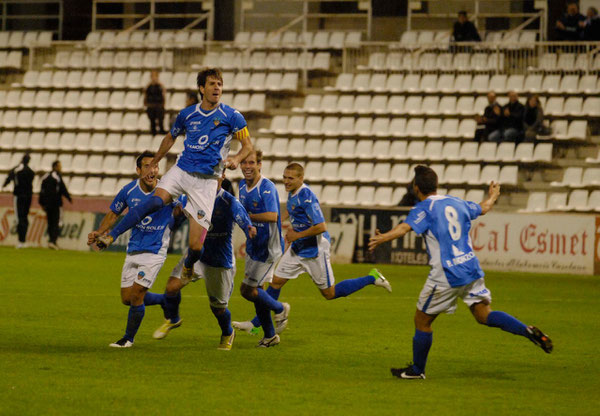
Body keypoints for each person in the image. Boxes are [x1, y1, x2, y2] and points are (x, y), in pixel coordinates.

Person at [368, 165, 553, 379]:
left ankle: (417, 371)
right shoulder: (457, 202)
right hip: (470, 267)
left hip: (447, 273)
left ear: (416, 188)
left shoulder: (423, 208)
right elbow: (483, 208)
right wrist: (493, 195)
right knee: (485, 314)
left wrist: (383, 238)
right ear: (436, 185)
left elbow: (404, 228)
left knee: (422, 320)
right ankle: (526, 331)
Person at [94, 67, 254, 288]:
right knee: (154, 201)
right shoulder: (187, 114)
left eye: (220, 84)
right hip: (182, 170)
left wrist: (236, 158)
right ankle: (111, 236)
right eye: (212, 83)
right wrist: (156, 160)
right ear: (202, 88)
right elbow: (170, 137)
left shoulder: (232, 116)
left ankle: (189, 264)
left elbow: (248, 146)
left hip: (206, 181)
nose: (217, 87)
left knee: (196, 246)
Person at [234, 163, 392, 338]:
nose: (286, 181)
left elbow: (321, 226)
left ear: (301, 178)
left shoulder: (307, 196)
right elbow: (291, 210)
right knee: (276, 282)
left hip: (314, 252)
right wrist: (282, 218)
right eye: (285, 177)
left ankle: (372, 278)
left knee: (329, 293)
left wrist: (297, 235)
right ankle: (257, 324)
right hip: (297, 249)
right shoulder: (293, 193)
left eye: (290, 178)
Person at [87, 151, 186, 348]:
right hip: (134, 248)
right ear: (138, 170)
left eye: (156, 166)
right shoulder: (129, 191)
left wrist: (179, 215)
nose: (153, 171)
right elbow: (114, 213)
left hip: (155, 249)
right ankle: (165, 301)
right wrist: (99, 231)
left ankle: (128, 339)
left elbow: (180, 214)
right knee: (127, 298)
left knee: (138, 293)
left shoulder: (168, 191)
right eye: (148, 166)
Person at [156, 173, 257, 350]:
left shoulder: (228, 201)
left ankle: (227, 332)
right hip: (197, 256)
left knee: (218, 309)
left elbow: (242, 217)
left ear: (221, 177)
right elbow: (176, 214)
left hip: (219, 260)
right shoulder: (191, 196)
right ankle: (173, 319)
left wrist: (249, 227)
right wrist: (174, 217)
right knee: (171, 288)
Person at [233, 149, 288, 347]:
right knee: (257, 294)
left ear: (259, 165)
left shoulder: (266, 187)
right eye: (244, 163)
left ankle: (280, 308)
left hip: (268, 249)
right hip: (253, 247)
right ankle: (270, 336)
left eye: (252, 163)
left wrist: (248, 218)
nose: (247, 167)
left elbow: (273, 216)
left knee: (247, 290)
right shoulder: (241, 186)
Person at [2, 154, 34, 248]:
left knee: (19, 218)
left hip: (19, 196)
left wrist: (4, 185)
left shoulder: (17, 169)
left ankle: (21, 241)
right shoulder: (31, 171)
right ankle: (23, 240)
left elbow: (9, 177)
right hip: (28, 196)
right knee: (25, 217)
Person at [39, 160, 72, 250]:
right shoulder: (57, 177)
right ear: (55, 167)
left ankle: (51, 241)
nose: (61, 168)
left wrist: (41, 202)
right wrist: (69, 198)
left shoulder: (45, 177)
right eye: (59, 166)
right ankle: (53, 241)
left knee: (50, 223)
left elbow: (41, 191)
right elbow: (62, 189)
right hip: (56, 204)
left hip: (47, 205)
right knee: (57, 222)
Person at [144, 70, 167, 136]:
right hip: (151, 105)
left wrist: (163, 103)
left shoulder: (160, 86)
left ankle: (161, 130)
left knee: (160, 119)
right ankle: (153, 131)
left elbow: (163, 93)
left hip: (159, 105)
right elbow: (145, 95)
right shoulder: (148, 86)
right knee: (152, 120)